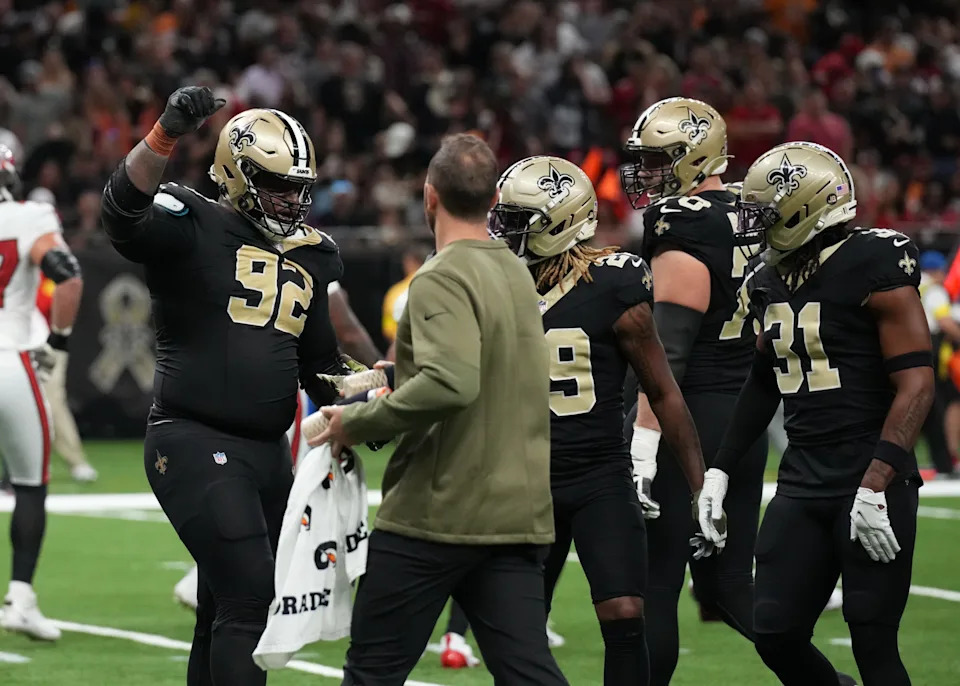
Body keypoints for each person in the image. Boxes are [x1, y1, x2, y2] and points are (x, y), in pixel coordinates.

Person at [101, 87, 353, 686]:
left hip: (268, 454)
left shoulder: (314, 255)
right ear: (237, 175)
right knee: (250, 599)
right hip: (194, 438)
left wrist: (373, 392)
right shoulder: (191, 219)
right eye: (277, 185)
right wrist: (164, 134)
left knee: (221, 608)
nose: (292, 200)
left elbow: (319, 362)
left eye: (299, 187)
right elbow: (121, 215)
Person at [313, 134, 568, 686]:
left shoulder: (439, 276)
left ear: (429, 196)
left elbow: (450, 383)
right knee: (529, 675)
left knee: (371, 673)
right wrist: (395, 376)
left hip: (436, 514)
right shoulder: (516, 272)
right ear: (493, 199)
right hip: (516, 513)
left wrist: (355, 422)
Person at [698, 142, 932, 686]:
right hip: (803, 479)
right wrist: (720, 468)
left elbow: (917, 382)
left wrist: (876, 482)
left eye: (765, 213)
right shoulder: (768, 279)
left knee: (873, 642)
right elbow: (764, 380)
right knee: (775, 632)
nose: (755, 226)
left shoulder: (873, 261)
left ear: (803, 209)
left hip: (870, 477)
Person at [491, 155, 707, 685]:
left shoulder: (613, 283)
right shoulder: (492, 284)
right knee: (518, 631)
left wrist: (700, 486)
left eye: (518, 220)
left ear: (557, 223)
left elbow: (663, 390)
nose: (504, 231)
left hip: (598, 476)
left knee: (625, 613)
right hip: (522, 481)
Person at [619, 96, 766, 685]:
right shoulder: (749, 210)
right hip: (742, 420)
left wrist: (642, 442)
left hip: (685, 420)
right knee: (728, 586)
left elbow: (669, 354)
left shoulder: (682, 223)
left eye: (658, 161)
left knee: (654, 580)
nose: (646, 173)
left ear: (693, 156)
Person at [0, 143, 83, 640]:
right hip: (11, 358)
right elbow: (68, 278)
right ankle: (21, 598)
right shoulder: (28, 217)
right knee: (31, 483)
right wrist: (57, 344)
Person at [33, 276, 98, 482]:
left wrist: (57, 339)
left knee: (52, 403)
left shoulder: (48, 274)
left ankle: (76, 461)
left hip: (45, 345)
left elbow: (58, 303)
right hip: (9, 345)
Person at [917, 251, 960, 477]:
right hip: (930, 351)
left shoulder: (914, 285)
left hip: (908, 347)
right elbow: (944, 322)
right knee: (937, 408)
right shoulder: (935, 291)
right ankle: (944, 462)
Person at [381, 243, 430, 344]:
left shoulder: (395, 293)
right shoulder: (438, 286)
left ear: (409, 262)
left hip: (404, 346)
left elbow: (388, 329)